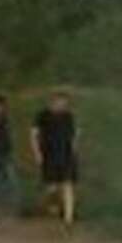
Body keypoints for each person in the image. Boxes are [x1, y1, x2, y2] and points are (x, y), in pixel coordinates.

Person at [32, 91, 79, 226]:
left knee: (68, 184)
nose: (63, 106)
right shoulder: (43, 116)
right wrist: (37, 153)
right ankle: (51, 205)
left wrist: (74, 148)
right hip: (50, 154)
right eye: (60, 103)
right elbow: (34, 134)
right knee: (51, 187)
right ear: (53, 103)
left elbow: (75, 133)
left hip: (66, 154)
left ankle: (68, 218)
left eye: (65, 104)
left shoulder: (69, 116)